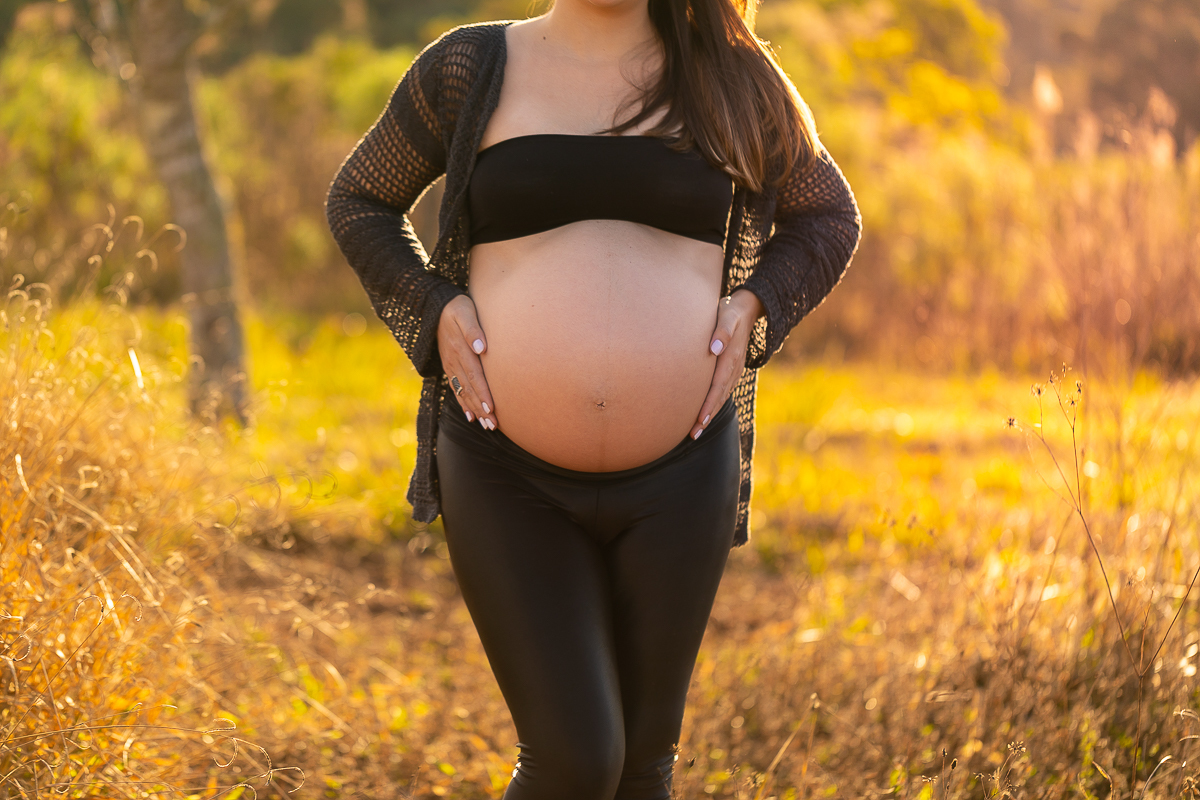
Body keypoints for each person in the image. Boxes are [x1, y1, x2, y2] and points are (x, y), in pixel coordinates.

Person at [325, 0, 860, 796]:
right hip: (506, 472)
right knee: (574, 758)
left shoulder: (728, 71)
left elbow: (828, 216)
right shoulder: (469, 68)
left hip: (683, 476)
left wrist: (755, 307)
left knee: (643, 771)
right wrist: (433, 306)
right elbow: (360, 200)